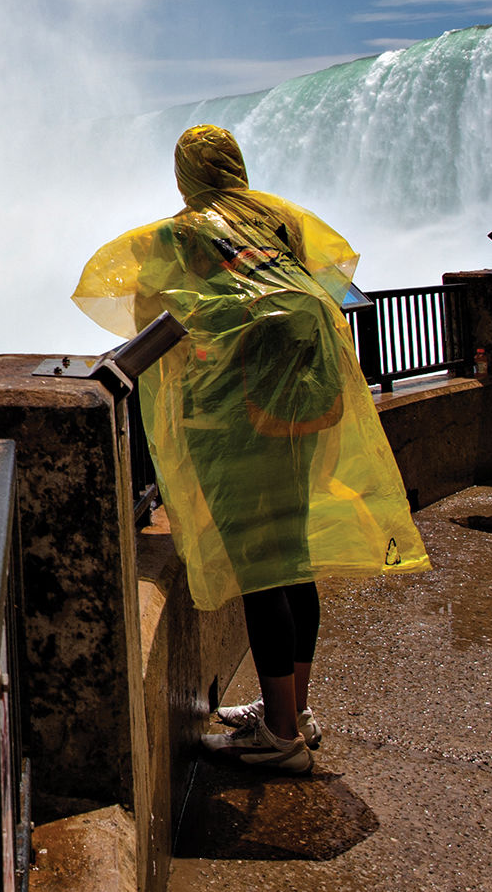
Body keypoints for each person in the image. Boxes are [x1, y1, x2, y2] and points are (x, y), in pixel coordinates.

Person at [75, 125, 429, 774]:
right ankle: (293, 705)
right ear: (235, 163)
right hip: (307, 390)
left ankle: (282, 737)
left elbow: (140, 299)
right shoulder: (278, 216)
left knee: (260, 565)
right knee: (291, 554)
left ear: (185, 173)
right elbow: (327, 269)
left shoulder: (181, 233)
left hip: (238, 410)